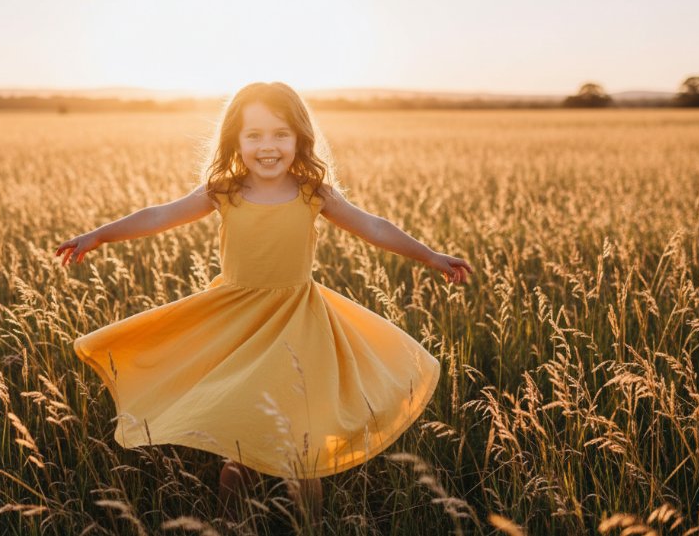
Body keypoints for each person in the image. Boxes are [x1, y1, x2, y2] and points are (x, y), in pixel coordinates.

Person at [56, 81, 472, 527]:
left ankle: (311, 525)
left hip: (299, 325)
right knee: (240, 444)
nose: (267, 146)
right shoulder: (224, 191)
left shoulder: (315, 193)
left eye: (280, 134)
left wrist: (429, 255)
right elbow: (159, 215)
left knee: (304, 444)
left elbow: (373, 226)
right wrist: (100, 234)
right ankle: (229, 523)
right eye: (254, 135)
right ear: (235, 140)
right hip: (239, 326)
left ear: (299, 139)